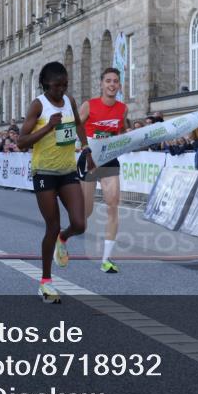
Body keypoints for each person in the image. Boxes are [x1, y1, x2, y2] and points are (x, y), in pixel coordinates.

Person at [17, 62, 91, 303]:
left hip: (67, 170)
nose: (61, 89)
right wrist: (49, 127)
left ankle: (64, 238)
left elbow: (78, 124)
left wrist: (86, 147)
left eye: (65, 85)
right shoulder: (38, 105)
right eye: (57, 85)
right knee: (52, 226)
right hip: (44, 172)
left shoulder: (69, 101)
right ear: (46, 84)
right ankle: (46, 282)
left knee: (80, 224)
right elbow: (21, 142)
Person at [78, 68, 129, 274]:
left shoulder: (123, 108)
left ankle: (106, 259)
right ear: (101, 84)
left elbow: (121, 131)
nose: (112, 84)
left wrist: (127, 138)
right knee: (85, 213)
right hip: (89, 160)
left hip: (109, 159)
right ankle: (61, 238)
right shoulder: (89, 105)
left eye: (115, 81)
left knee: (113, 205)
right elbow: (74, 127)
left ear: (119, 85)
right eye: (108, 81)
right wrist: (81, 145)